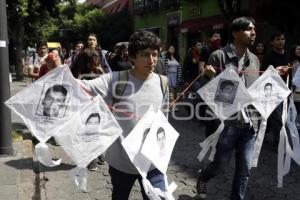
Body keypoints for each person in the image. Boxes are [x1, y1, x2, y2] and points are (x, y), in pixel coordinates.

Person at [80, 30, 168, 200]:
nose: (151, 60)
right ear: (132, 57)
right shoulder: (115, 80)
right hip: (122, 162)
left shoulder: (163, 82)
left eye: (154, 54)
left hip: (152, 164)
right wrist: (57, 70)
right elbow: (83, 87)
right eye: (144, 55)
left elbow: (163, 119)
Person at [196, 17, 260, 200]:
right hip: (227, 124)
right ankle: (203, 176)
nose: (253, 32)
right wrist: (208, 76)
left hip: (250, 124)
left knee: (245, 168)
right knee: (220, 165)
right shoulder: (219, 56)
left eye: (254, 29)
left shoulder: (254, 59)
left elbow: (255, 89)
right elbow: (209, 91)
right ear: (235, 33)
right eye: (248, 29)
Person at [262, 30, 292, 147]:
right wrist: (277, 72)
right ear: (272, 42)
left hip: (287, 90)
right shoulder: (268, 57)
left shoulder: (289, 54)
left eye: (283, 39)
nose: (281, 42)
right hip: (274, 92)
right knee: (278, 118)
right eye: (278, 39)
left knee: (277, 118)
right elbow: (264, 75)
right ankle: (279, 144)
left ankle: (261, 131)